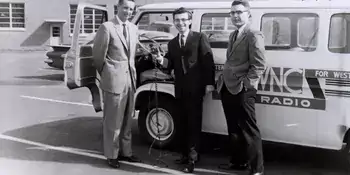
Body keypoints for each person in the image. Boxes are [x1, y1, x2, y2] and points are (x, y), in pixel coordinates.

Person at [155, 7, 215, 173]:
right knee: (181, 122)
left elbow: (208, 61)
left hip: (196, 89)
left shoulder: (199, 37)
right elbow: (170, 66)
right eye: (177, 20)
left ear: (189, 21)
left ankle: (193, 158)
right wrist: (161, 60)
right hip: (180, 89)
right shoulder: (172, 43)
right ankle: (184, 154)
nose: (180, 23)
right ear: (174, 22)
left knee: (193, 124)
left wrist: (209, 83)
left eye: (183, 20)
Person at [216, 0, 266, 175]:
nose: (235, 16)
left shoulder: (254, 34)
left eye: (239, 12)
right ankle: (238, 162)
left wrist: (247, 85)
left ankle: (256, 169)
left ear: (248, 14)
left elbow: (259, 65)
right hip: (228, 87)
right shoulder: (233, 34)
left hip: (243, 89)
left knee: (249, 129)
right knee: (233, 127)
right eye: (232, 13)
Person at [92, 0, 141, 169]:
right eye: (125, 8)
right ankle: (112, 154)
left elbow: (132, 54)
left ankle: (126, 152)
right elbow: (98, 56)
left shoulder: (133, 28)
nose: (128, 11)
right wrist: (108, 74)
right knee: (113, 120)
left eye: (131, 9)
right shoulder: (107, 27)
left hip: (130, 80)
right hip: (114, 80)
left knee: (128, 118)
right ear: (118, 8)